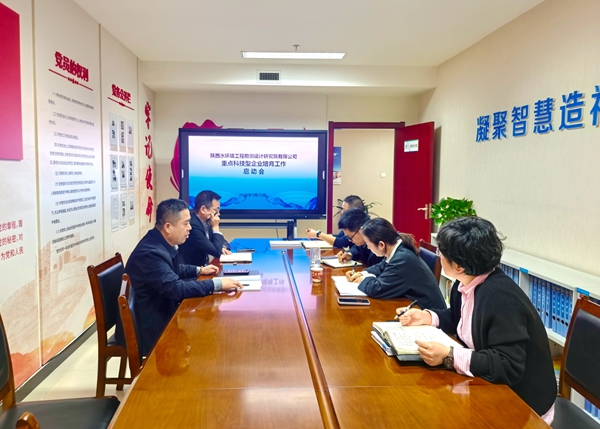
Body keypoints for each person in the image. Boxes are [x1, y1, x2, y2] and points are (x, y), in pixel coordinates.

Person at [397, 217, 556, 423]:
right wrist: (428, 316)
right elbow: (459, 319)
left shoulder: (500, 298)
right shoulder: (464, 283)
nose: (439, 256)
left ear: (459, 266)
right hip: (488, 385)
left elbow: (507, 366)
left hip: (522, 405)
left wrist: (449, 356)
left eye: (441, 253)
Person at [126, 198, 243, 356]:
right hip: (150, 327)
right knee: (208, 336)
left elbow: (172, 270)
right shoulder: (151, 253)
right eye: (186, 223)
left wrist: (199, 270)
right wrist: (217, 284)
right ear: (168, 227)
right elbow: (176, 289)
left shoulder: (159, 242)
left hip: (161, 311)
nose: (190, 228)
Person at [346, 217, 445, 309]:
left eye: (368, 244)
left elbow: (376, 289)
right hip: (412, 305)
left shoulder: (402, 259)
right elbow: (380, 267)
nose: (368, 248)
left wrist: (363, 279)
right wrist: (361, 274)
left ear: (381, 245)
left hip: (426, 312)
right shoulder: (396, 248)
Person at [179, 190, 231, 267]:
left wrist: (223, 247)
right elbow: (217, 252)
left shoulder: (207, 221)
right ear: (203, 209)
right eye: (216, 210)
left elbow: (223, 241)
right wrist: (216, 227)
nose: (218, 214)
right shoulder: (193, 225)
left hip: (205, 267)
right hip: (193, 271)